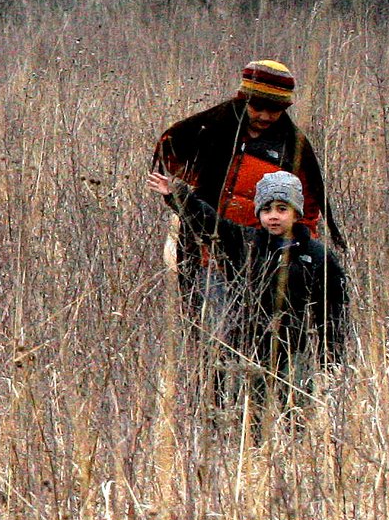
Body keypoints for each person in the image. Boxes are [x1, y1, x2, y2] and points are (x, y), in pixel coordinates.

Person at [147, 168, 350, 408]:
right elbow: (208, 223)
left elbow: (333, 312)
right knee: (246, 412)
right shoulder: (245, 243)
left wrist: (331, 361)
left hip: (294, 352)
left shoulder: (317, 256)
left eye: (282, 209)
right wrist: (179, 195)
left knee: (294, 413)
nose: (273, 216)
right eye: (266, 209)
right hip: (246, 350)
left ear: (297, 212)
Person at [152, 60, 345, 309]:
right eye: (257, 107)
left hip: (262, 262)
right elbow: (171, 154)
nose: (265, 116)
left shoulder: (293, 147)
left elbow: (307, 210)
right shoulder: (212, 129)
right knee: (209, 326)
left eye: (274, 110)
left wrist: (301, 255)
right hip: (208, 257)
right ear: (243, 100)